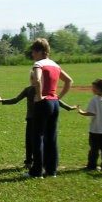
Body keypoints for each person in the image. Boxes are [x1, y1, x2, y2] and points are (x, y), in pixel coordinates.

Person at [0, 71, 77, 168]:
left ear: (31, 79)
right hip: (43, 118)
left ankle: (28, 162)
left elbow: (15, 100)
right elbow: (56, 100)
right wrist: (68, 107)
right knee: (41, 140)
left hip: (31, 119)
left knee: (30, 141)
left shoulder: (28, 90)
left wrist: (2, 101)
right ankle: (42, 161)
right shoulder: (45, 90)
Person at [26, 38, 73, 178]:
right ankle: (51, 170)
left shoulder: (38, 64)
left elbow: (38, 79)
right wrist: (58, 97)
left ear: (39, 51)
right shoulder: (55, 65)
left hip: (43, 103)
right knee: (51, 138)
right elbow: (69, 81)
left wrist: (39, 96)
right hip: (54, 103)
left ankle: (36, 172)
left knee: (38, 137)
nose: (33, 55)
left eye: (34, 52)